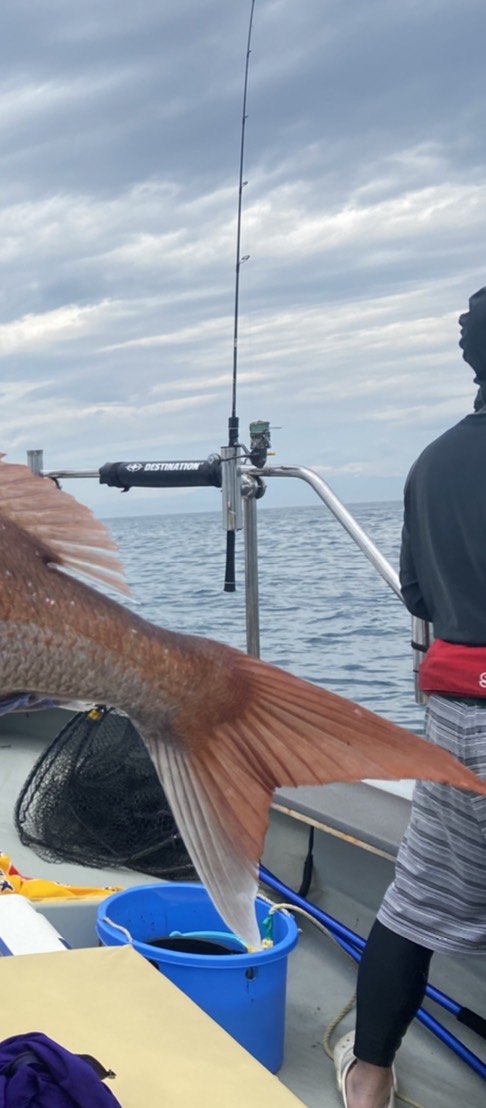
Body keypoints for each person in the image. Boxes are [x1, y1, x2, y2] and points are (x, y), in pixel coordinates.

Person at [336, 287, 486, 1108]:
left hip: (456, 721)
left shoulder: (431, 464)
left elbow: (420, 596)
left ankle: (368, 1079)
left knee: (419, 902)